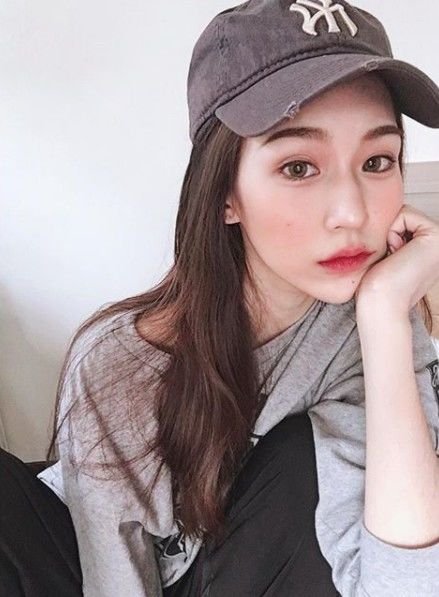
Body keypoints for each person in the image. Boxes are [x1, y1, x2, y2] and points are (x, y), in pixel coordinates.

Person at [1, 0, 439, 595]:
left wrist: (386, 318)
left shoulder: (371, 323)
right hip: (101, 564)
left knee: (301, 462)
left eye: (378, 161)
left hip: (242, 563)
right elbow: (116, 575)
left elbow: (403, 585)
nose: (352, 213)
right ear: (225, 195)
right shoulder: (121, 368)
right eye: (299, 168)